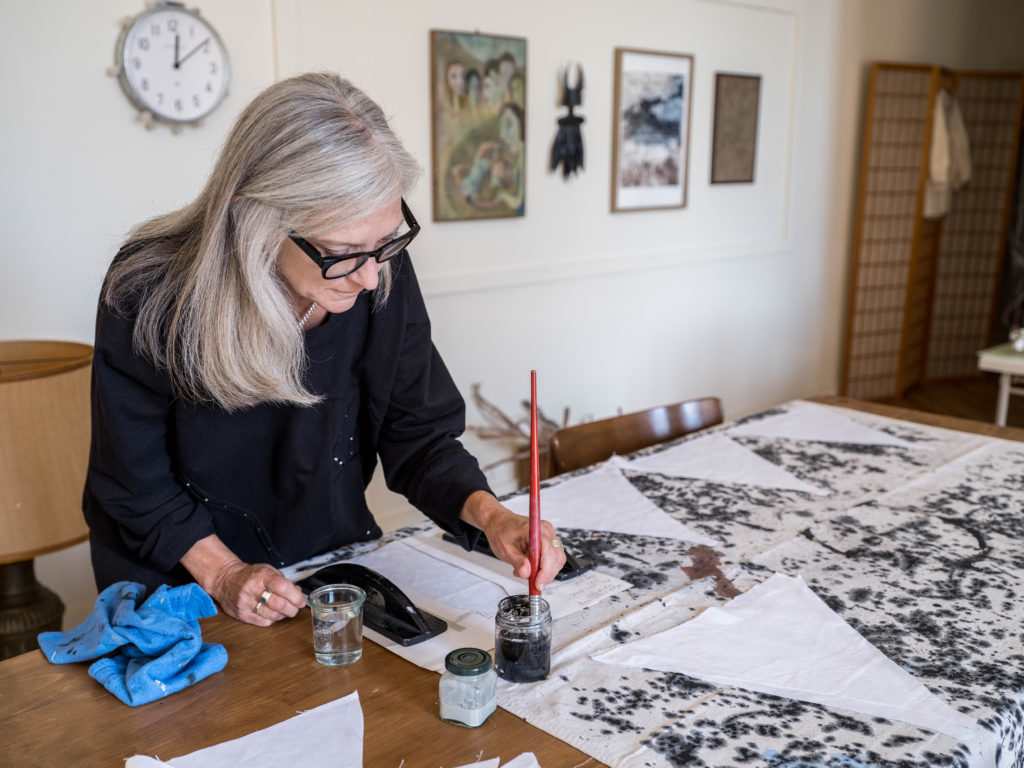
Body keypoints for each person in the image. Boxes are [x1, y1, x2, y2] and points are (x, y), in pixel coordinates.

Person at [84, 72, 565, 627]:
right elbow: (135, 483)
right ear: (251, 216)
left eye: (385, 242)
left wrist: (492, 516)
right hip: (180, 579)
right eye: (342, 252)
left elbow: (418, 434)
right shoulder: (148, 290)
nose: (369, 278)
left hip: (322, 564)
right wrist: (225, 574)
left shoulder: (377, 266)